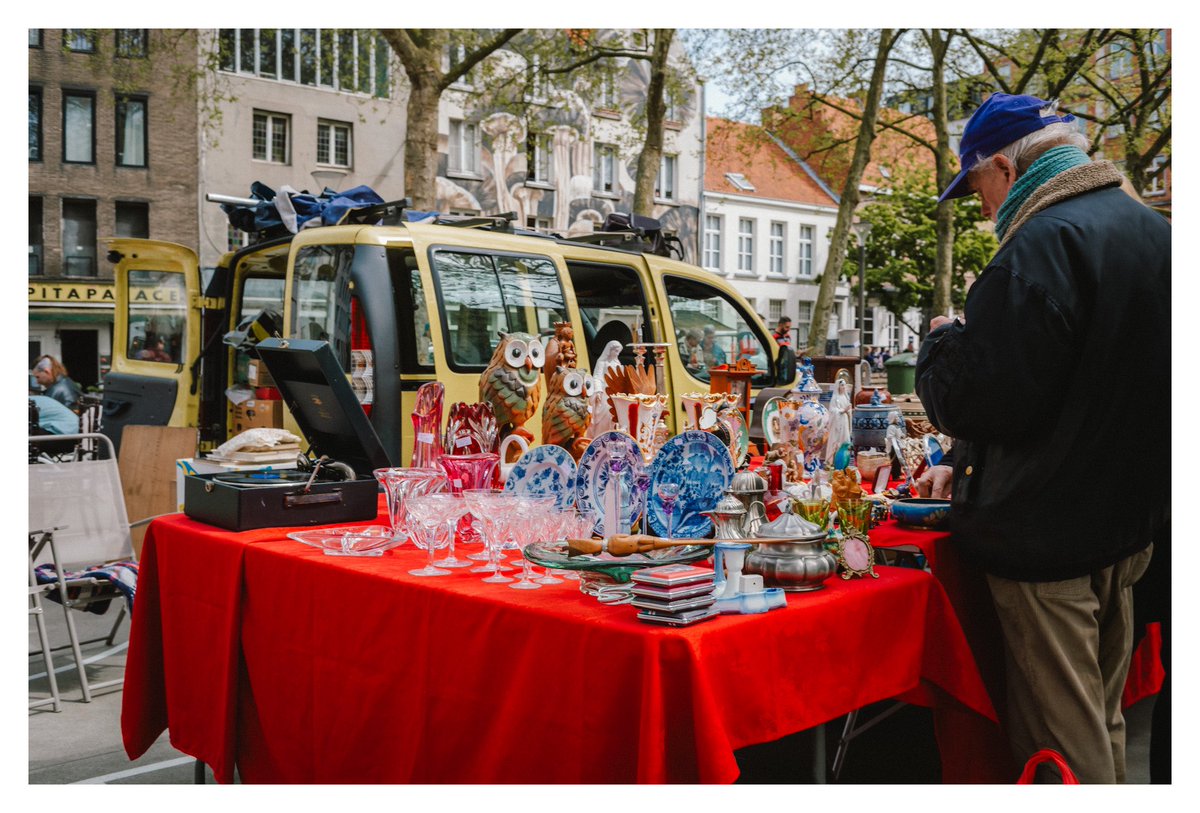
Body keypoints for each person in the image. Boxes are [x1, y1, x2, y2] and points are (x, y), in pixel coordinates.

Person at [914, 93, 1169, 783]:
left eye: (977, 188)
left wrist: (942, 346)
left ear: (1003, 164)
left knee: (1063, 745)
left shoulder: (1041, 244)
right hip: (1130, 531)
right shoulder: (1157, 233)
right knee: (1104, 719)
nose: (982, 208)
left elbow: (985, 398)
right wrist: (962, 465)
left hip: (1048, 537)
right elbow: (1071, 386)